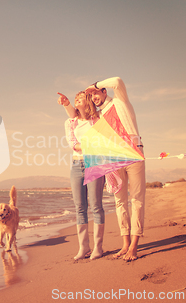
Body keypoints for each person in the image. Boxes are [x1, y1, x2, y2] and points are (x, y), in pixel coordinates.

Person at [61, 77, 145, 261]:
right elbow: (76, 116)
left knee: (136, 199)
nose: (94, 96)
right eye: (91, 95)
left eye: (96, 93)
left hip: (133, 153)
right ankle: (124, 244)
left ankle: (133, 245)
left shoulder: (119, 100)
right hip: (114, 158)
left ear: (104, 91)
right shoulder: (98, 114)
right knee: (120, 200)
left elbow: (118, 81)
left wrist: (96, 85)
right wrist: (68, 104)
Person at [58, 90, 105, 260]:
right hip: (77, 165)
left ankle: (98, 248)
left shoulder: (97, 119)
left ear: (88, 101)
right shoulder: (70, 122)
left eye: (80, 98)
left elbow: (102, 140)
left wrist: (90, 145)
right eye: (75, 98)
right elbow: (73, 144)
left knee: (96, 206)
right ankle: (83, 247)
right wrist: (91, 145)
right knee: (80, 207)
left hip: (95, 164)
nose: (77, 99)